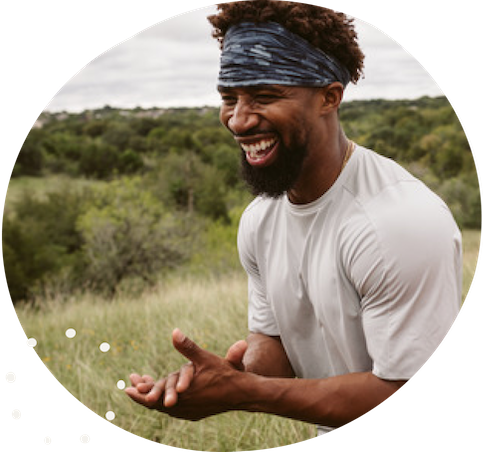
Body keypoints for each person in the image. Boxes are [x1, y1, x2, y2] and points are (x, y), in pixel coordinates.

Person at [125, 0, 462, 435]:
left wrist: (244, 392)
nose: (239, 120)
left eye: (265, 96)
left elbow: (397, 387)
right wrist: (221, 380)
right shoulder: (261, 219)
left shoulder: (398, 224)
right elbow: (276, 342)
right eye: (229, 98)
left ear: (329, 96)